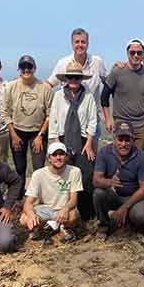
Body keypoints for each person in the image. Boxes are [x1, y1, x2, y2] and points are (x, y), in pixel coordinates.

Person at [48, 61, 97, 221]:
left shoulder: (88, 96)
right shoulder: (58, 95)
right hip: (63, 139)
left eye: (77, 77)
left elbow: (92, 119)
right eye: (71, 77)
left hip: (83, 140)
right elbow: (54, 119)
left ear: (81, 79)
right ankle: (64, 214)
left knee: (85, 177)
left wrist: (89, 142)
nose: (74, 80)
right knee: (64, 177)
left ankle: (87, 214)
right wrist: (56, 144)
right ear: (66, 79)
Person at [1, 55, 54, 199]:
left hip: (38, 132)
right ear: (19, 69)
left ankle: (37, 198)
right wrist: (13, 134)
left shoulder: (44, 88)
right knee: (20, 168)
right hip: (17, 131)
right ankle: (19, 198)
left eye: (29, 67)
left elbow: (49, 114)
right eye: (23, 67)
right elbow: (5, 112)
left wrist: (40, 136)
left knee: (38, 168)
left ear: (34, 68)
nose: (26, 70)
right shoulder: (11, 87)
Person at [101, 38, 144, 150]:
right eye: (132, 52)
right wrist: (108, 119)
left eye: (139, 53)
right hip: (121, 123)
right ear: (127, 53)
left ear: (143, 55)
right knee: (121, 156)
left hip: (141, 125)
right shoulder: (117, 72)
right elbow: (104, 96)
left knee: (138, 157)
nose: (135, 55)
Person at [46, 28, 107, 141]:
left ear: (88, 44)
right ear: (72, 44)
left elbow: (108, 82)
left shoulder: (97, 62)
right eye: (77, 42)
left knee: (90, 154)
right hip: (66, 119)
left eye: (83, 42)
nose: (80, 45)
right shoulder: (63, 63)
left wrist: (119, 68)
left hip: (91, 117)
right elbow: (49, 84)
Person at [93, 121, 144, 237]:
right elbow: (96, 180)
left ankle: (127, 223)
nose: (123, 144)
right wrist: (109, 182)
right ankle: (103, 226)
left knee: (141, 216)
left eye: (127, 140)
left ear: (133, 140)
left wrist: (125, 206)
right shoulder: (104, 152)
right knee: (98, 193)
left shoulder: (141, 156)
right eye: (120, 139)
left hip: (133, 197)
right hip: (112, 195)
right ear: (114, 139)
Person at [19, 142, 83, 243]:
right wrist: (31, 215)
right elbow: (28, 202)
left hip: (63, 209)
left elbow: (73, 200)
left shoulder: (74, 172)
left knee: (73, 216)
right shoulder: (38, 174)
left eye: (61, 154)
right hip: (45, 209)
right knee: (24, 218)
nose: (58, 157)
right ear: (49, 158)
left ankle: (61, 227)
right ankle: (46, 227)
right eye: (54, 155)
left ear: (66, 157)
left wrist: (66, 209)